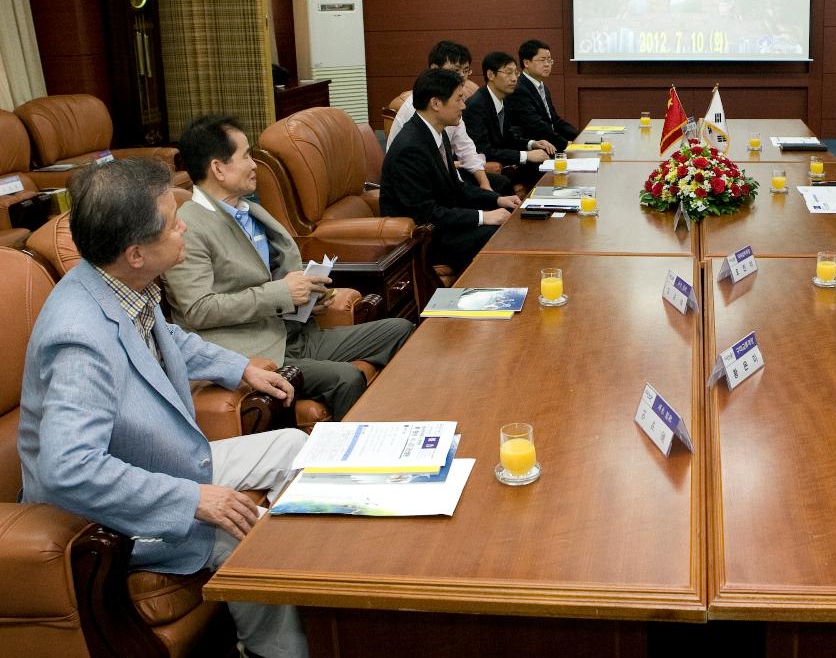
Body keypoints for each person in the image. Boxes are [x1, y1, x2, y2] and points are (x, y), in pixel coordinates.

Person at [18, 158, 309, 658]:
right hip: (102, 516)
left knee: (297, 447)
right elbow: (68, 467)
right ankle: (273, 651)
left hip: (160, 462)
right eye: (171, 222)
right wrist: (194, 500)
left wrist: (239, 368)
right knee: (252, 535)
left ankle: (327, 594)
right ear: (135, 252)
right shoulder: (77, 338)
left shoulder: (119, 284)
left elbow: (168, 339)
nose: (182, 226)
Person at [166, 114, 414, 421]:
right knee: (346, 379)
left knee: (400, 330)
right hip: (257, 350)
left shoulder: (249, 209)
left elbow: (276, 277)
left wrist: (310, 296)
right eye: (246, 156)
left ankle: (411, 422)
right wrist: (280, 294)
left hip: (295, 332)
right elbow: (198, 309)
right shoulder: (189, 226)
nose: (255, 165)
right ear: (218, 168)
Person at [381, 68, 522, 270]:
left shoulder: (436, 133)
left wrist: (497, 199)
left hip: (444, 223)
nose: (464, 106)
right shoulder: (410, 148)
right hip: (424, 239)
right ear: (436, 103)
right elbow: (425, 213)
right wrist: (483, 217)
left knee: (502, 214)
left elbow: (457, 187)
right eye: (458, 99)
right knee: (495, 233)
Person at [385, 41, 512, 194]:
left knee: (498, 186)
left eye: (465, 71)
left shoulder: (451, 106)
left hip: (443, 171)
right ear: (434, 69)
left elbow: (466, 148)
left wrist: (485, 184)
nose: (461, 77)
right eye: (454, 71)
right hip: (417, 176)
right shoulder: (419, 106)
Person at [463, 51, 558, 189]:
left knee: (544, 163)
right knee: (533, 165)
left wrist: (532, 144)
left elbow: (508, 137)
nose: (514, 79)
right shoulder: (476, 106)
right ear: (491, 75)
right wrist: (526, 155)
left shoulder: (504, 99)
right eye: (508, 73)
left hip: (501, 159)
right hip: (482, 164)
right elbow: (484, 150)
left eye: (516, 73)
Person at [506, 39, 578, 151]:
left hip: (550, 143)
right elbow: (535, 125)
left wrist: (578, 136)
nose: (547, 64)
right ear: (526, 63)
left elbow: (554, 120)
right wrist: (565, 144)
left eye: (549, 60)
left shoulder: (541, 86)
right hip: (535, 148)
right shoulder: (519, 89)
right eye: (542, 60)